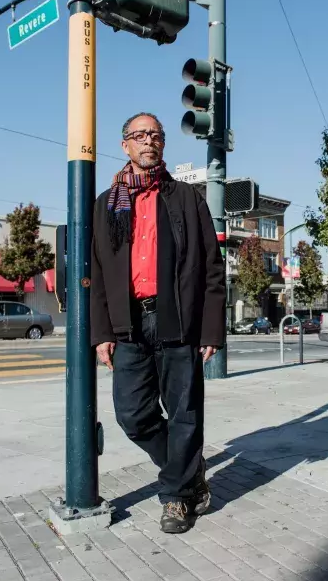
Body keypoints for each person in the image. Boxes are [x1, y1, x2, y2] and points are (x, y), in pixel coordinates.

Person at [90, 112, 226, 534]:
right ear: (125, 144)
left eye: (157, 135)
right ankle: (188, 469)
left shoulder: (186, 197)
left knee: (184, 413)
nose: (150, 141)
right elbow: (96, 273)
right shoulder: (106, 204)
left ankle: (177, 499)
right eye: (140, 135)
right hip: (128, 324)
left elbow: (211, 268)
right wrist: (101, 333)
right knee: (132, 415)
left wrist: (211, 329)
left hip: (178, 321)